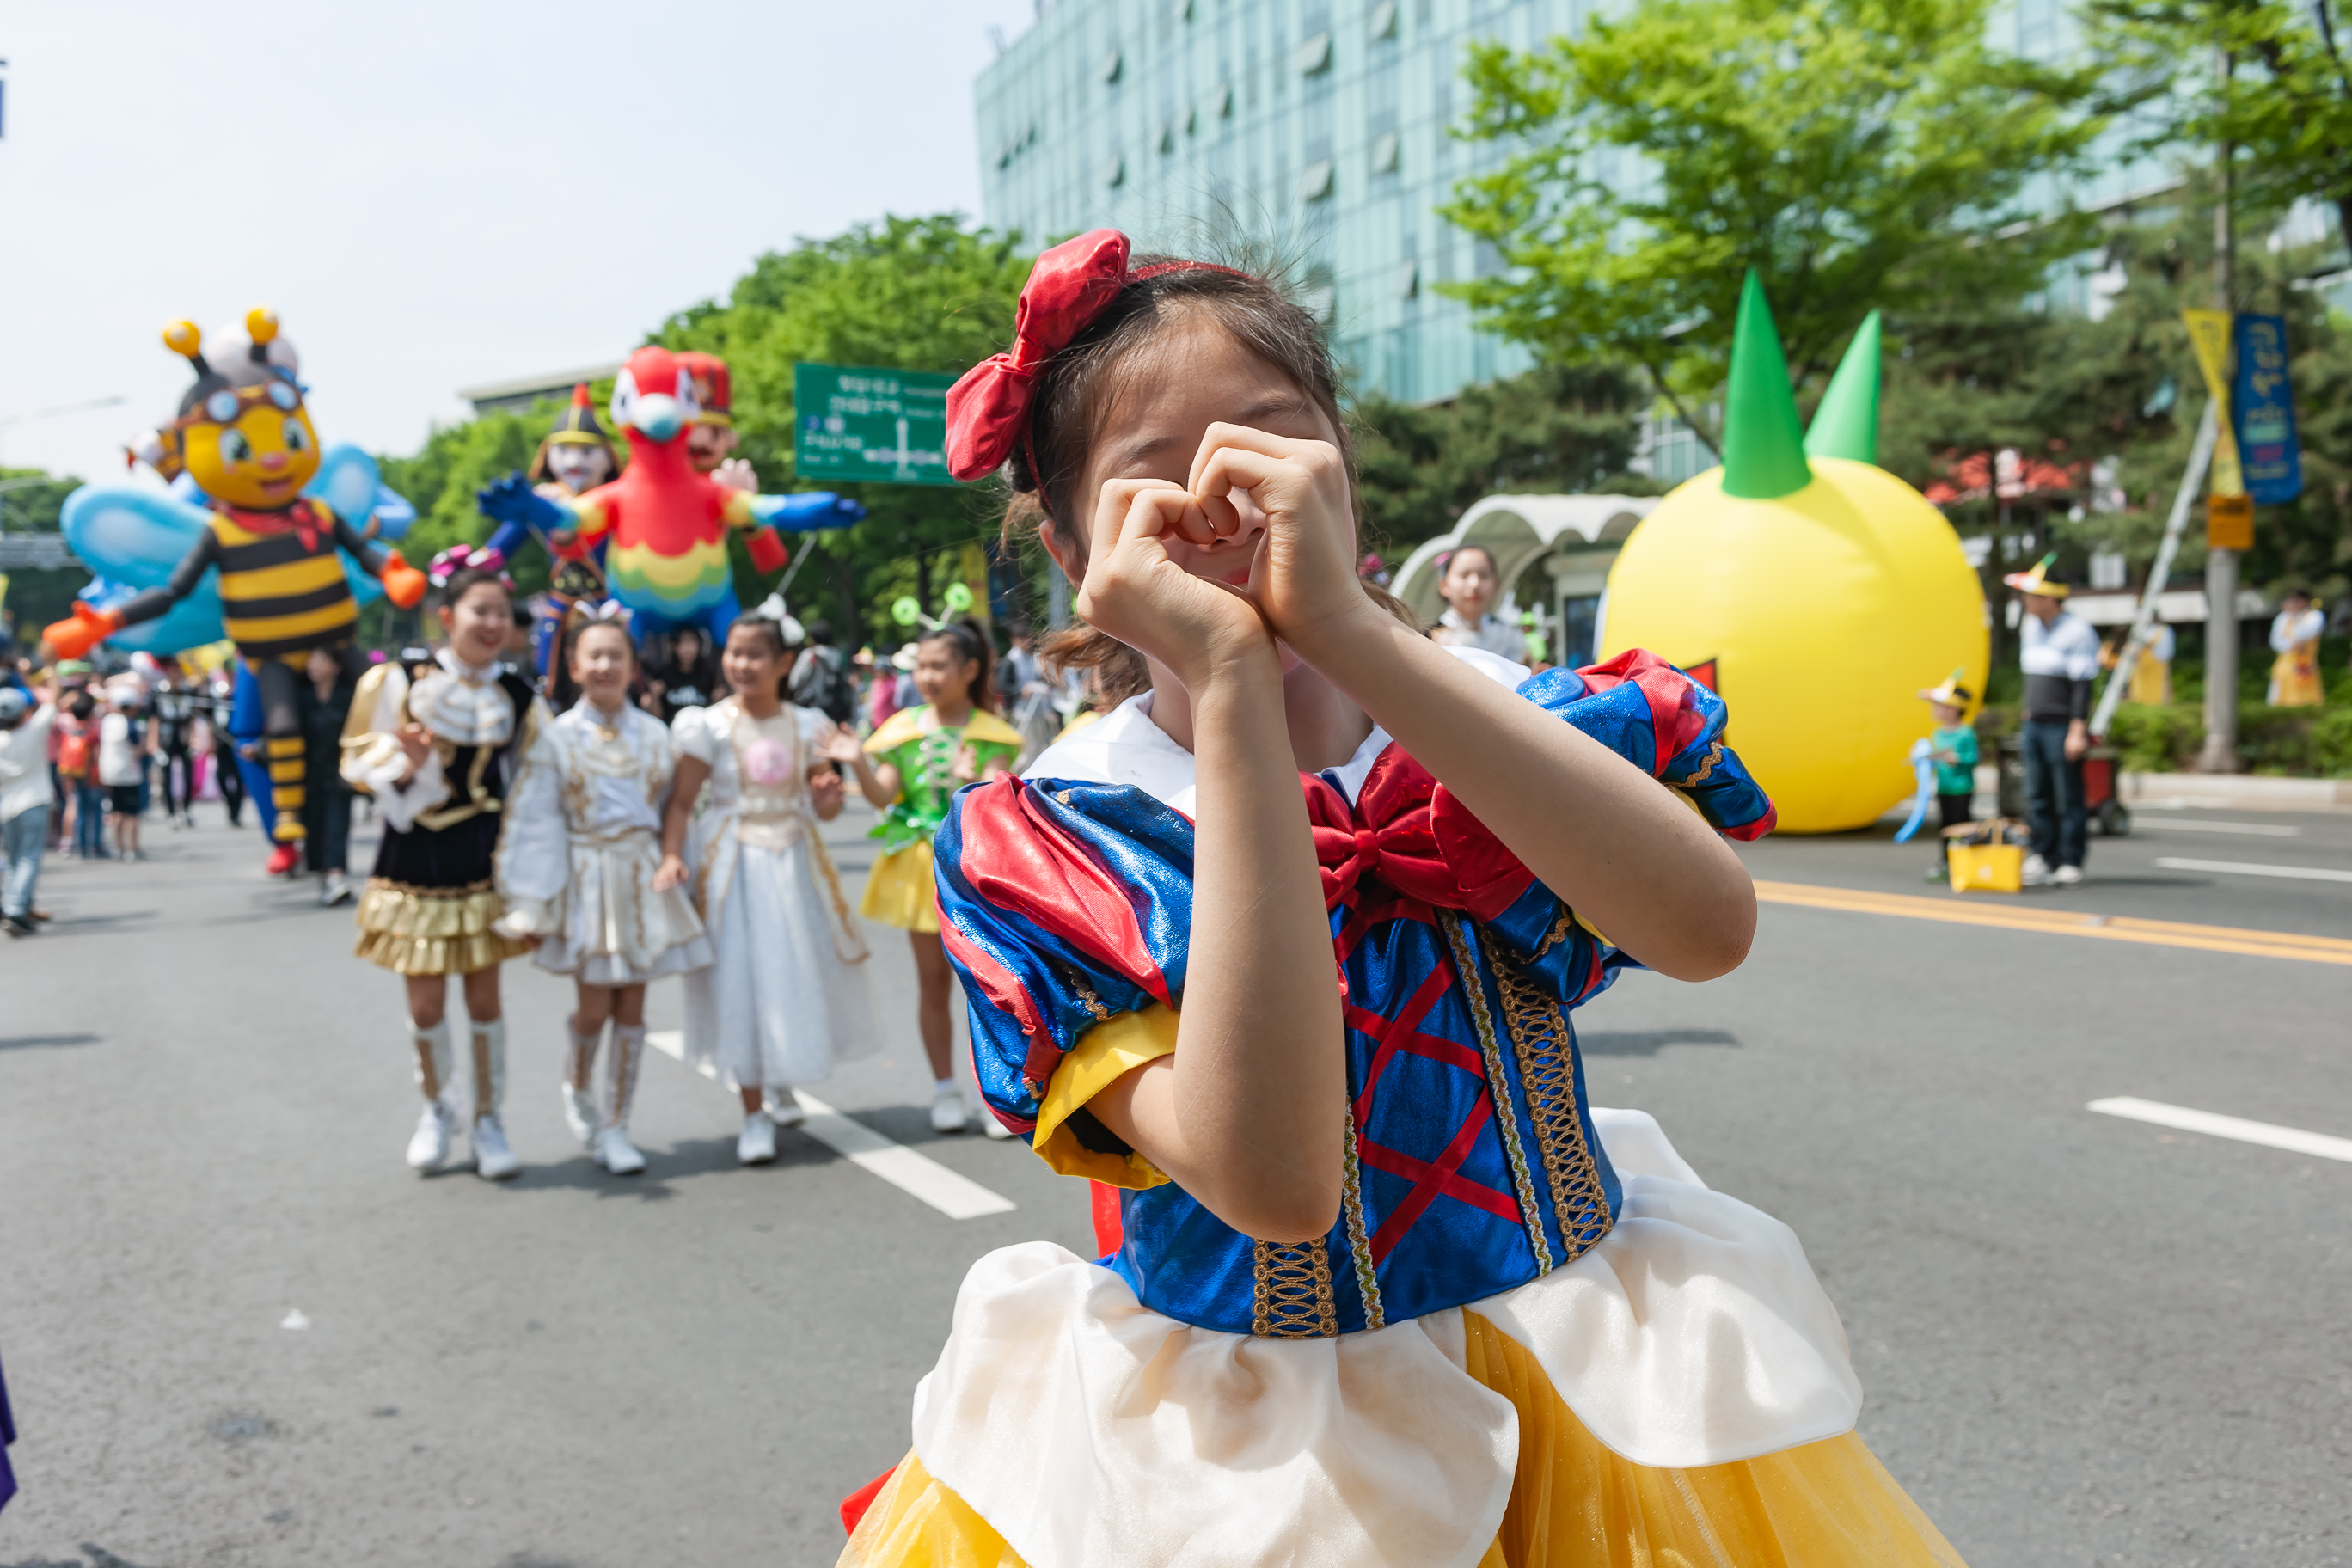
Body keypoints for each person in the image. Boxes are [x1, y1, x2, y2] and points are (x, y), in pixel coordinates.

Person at [834, 230, 1963, 1566]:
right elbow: (1279, 1183)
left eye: (1268, 438)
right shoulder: (1058, 832)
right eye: (1153, 479)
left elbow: (1708, 931)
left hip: (1594, 1380)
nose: (1222, 498)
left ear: (1345, 474)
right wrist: (1237, 681)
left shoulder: (1492, 717)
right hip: (1256, 1459)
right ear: (1078, 545)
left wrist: (1360, 639)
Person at [341, 559, 543, 1179]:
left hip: (485, 855)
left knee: (485, 1002)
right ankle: (437, 1107)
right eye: (480, 611)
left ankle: (489, 1119)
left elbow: (538, 780)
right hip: (414, 853)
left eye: (501, 615)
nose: (491, 624)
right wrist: (408, 763)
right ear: (447, 617)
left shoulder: (519, 695)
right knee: (426, 1005)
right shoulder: (397, 681)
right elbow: (355, 756)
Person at [495, 607, 712, 1175]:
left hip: (640, 875)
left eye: (616, 655)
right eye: (593, 655)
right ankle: (577, 1087)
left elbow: (676, 810)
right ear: (573, 665)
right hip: (587, 876)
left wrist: (677, 864)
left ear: (632, 666)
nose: (605, 665)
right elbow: (535, 819)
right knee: (593, 1007)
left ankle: (618, 1123)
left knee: (634, 1004)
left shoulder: (657, 734)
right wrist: (530, 903)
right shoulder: (557, 737)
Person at [660, 604, 875, 1165]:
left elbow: (822, 806)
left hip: (793, 865)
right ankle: (753, 1110)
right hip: (733, 868)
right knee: (741, 980)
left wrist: (827, 801)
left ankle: (778, 1082)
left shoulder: (807, 725)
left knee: (789, 975)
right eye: (734, 653)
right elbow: (681, 802)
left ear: (783, 662)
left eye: (755, 654)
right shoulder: (705, 725)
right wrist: (669, 857)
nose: (742, 664)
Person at [834, 620, 1022, 1136]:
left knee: (986, 985)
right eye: (922, 666)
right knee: (932, 983)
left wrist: (972, 785)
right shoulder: (903, 730)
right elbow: (883, 797)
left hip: (977, 871)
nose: (928, 676)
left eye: (939, 665)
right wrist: (858, 766)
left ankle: (997, 1094)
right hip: (921, 867)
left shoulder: (992, 733)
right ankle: (944, 1087)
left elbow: (998, 807)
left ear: (969, 669)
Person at [2006, 553, 2098, 887]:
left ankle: (2071, 859)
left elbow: (2082, 685)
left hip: (2062, 725)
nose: (2025, 601)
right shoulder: (2031, 627)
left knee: (2068, 796)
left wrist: (2077, 729)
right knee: (2037, 795)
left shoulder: (2077, 631)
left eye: (2030, 596)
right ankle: (2043, 855)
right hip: (2035, 723)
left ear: (2049, 599)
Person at [298, 645, 357, 906]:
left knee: (337, 825)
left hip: (338, 773)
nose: (314, 665)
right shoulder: (301, 698)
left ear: (336, 666)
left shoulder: (347, 696)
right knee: (313, 826)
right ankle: (323, 877)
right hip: (308, 774)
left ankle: (337, 876)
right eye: (312, 660)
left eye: (320, 659)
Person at [1, 683, 56, 936]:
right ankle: (15, 908)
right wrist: (51, 665)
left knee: (14, 860)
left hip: (6, 807)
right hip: (34, 801)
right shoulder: (33, 730)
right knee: (29, 858)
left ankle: (18, 904)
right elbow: (51, 702)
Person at [1916, 669, 1979, 883]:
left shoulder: (1966, 733)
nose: (1934, 710)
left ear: (1953, 710)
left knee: (1961, 826)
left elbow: (1973, 757)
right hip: (1943, 787)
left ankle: (1966, 862)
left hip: (1961, 788)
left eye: (1939, 706)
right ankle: (1946, 862)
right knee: (1944, 827)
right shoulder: (1937, 734)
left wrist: (1958, 759)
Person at [1426, 543, 1530, 661]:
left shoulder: (1511, 636)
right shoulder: (1430, 639)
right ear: (1444, 585)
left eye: (1484, 576)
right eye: (1464, 575)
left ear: (1496, 584)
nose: (1475, 584)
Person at [96, 684, 148, 862]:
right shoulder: (130, 724)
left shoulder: (106, 721)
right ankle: (132, 848)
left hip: (109, 773)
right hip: (128, 773)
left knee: (116, 811)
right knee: (131, 813)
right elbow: (138, 750)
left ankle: (118, 846)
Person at [642, 626, 723, 726]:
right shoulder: (662, 675)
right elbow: (657, 719)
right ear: (673, 646)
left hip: (702, 730)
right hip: (670, 730)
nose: (687, 648)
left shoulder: (710, 674)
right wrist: (654, 696)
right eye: (683, 643)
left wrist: (718, 700)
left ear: (700, 645)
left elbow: (714, 713)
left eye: (691, 642)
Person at [789, 619, 859, 727]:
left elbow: (794, 682)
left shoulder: (810, 654)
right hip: (834, 710)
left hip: (812, 708)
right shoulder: (839, 656)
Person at [152, 673, 199, 829]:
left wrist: (194, 740)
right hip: (167, 740)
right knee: (167, 778)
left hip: (184, 739)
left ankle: (186, 809)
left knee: (188, 776)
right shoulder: (159, 695)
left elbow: (192, 719)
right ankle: (171, 812)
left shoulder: (187, 694)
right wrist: (155, 746)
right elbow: (154, 721)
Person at [2267, 589, 2324, 707]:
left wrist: (2294, 618)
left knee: (2307, 698)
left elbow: (2303, 636)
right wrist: (2291, 645)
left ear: (2305, 601)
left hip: (2305, 663)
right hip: (2285, 663)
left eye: (2296, 600)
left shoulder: (2315, 616)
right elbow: (2276, 642)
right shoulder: (2283, 618)